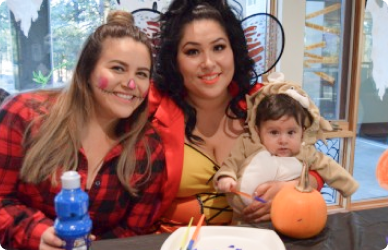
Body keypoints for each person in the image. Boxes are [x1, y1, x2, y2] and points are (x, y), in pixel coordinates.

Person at [148, 0, 324, 231]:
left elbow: (317, 166)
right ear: (175, 61)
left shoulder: (264, 103)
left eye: (219, 47)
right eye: (192, 51)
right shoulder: (153, 107)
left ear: (234, 50)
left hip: (255, 240)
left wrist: (294, 186)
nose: (209, 63)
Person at [0, 10, 165, 250]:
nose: (131, 84)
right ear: (87, 71)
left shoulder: (149, 148)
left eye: (141, 74)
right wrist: (38, 234)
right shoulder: (23, 116)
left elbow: (135, 230)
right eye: (118, 68)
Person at [214, 86, 359, 223]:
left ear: (302, 131)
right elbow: (231, 163)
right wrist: (226, 177)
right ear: (258, 131)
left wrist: (349, 186)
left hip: (290, 218)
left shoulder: (306, 153)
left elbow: (329, 167)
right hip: (245, 221)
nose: (283, 140)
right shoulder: (248, 144)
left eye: (291, 132)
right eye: (274, 132)